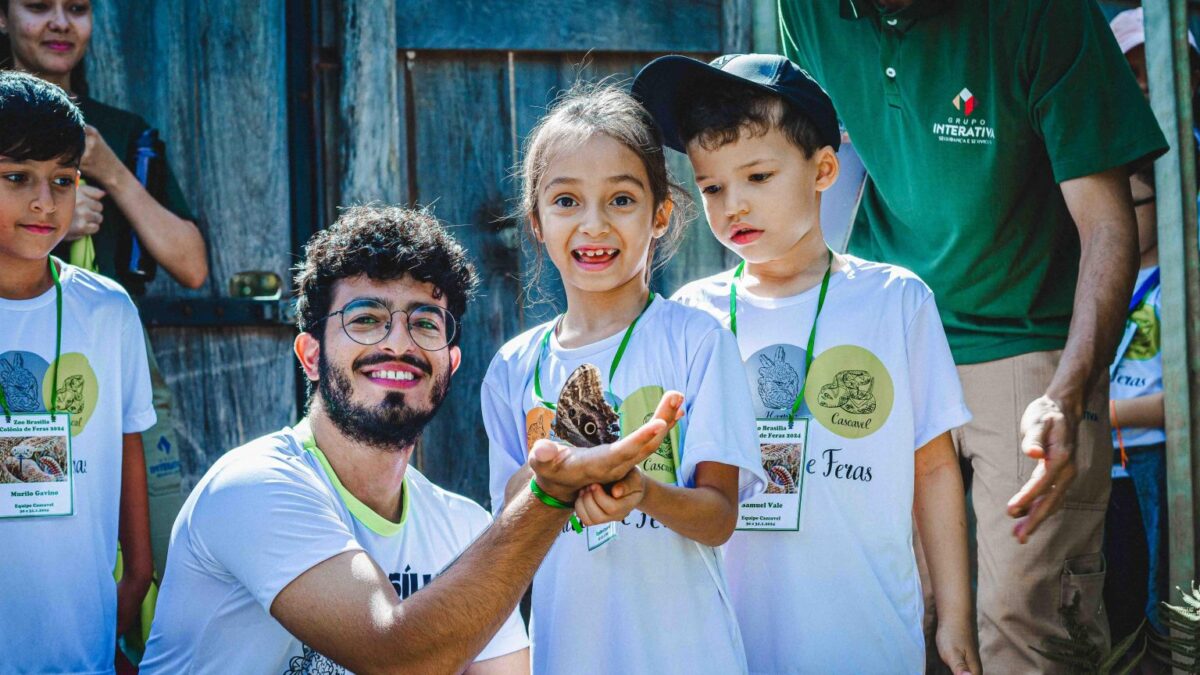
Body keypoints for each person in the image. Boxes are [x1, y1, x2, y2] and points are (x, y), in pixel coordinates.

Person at [778, 2, 1169, 669]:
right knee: (899, 604)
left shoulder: (1047, 17)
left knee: (1026, 617)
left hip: (1027, 339)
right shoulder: (808, 10)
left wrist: (1067, 392)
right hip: (888, 337)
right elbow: (821, 166)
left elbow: (1107, 223)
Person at [139, 204, 687, 673]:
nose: (397, 343)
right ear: (310, 356)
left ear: (450, 363)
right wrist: (549, 495)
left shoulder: (463, 528)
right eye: (366, 318)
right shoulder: (253, 487)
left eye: (425, 323)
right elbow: (393, 655)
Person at [633, 53, 977, 674]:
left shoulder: (897, 301)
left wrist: (954, 614)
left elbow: (933, 469)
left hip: (867, 641)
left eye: (759, 177)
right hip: (726, 648)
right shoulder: (688, 316)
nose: (733, 204)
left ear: (822, 170)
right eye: (712, 187)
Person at [484, 84, 765, 674]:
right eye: (566, 201)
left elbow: (718, 517)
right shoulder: (514, 368)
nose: (593, 225)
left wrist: (644, 492)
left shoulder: (698, 342)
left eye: (620, 200)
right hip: (570, 654)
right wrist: (554, 479)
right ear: (536, 221)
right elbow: (508, 520)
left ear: (660, 214)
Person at [0, 0, 206, 583]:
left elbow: (191, 266)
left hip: (102, 363)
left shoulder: (120, 132)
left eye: (79, 8)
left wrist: (109, 171)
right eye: (39, 6)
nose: (60, 22)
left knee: (158, 555)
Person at [0, 70, 154, 675]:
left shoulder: (108, 311)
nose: (45, 202)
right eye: (17, 178)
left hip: (79, 640)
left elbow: (128, 441)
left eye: (63, 180)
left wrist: (137, 574)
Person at [1104, 7, 1179, 640]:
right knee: (1113, 591)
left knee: (1164, 593)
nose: (1120, 222)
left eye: (1136, 206)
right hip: (1104, 465)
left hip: (1158, 457)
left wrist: (1105, 414)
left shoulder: (1180, 282)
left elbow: (1184, 395)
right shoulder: (1098, 281)